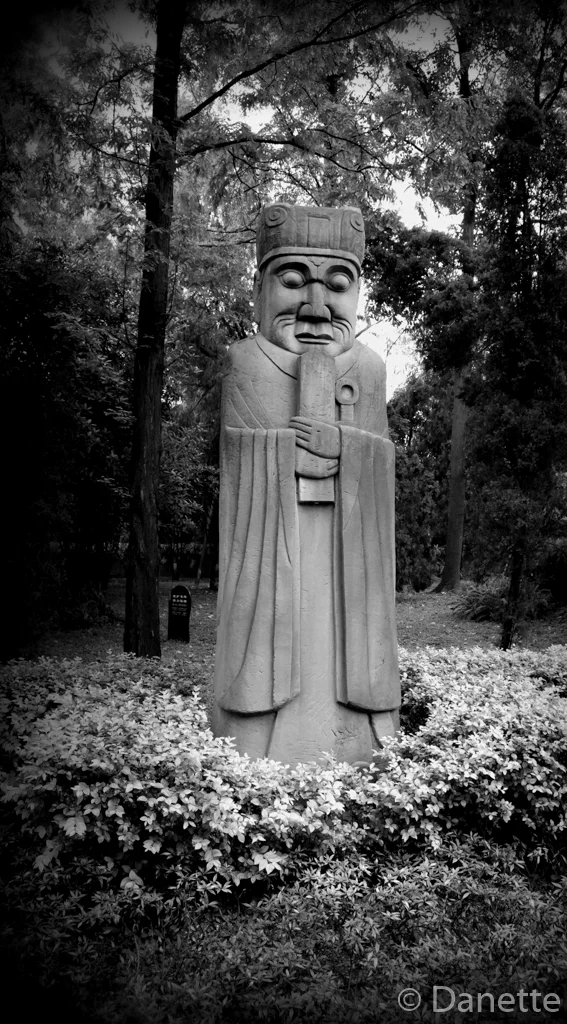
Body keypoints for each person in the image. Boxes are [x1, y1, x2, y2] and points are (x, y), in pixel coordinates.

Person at [212, 204, 400, 764]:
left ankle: (357, 734)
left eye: (337, 285)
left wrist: (347, 448)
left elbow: (381, 466)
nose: (316, 306)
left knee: (345, 650)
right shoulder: (247, 363)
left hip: (346, 560)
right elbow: (237, 463)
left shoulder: (368, 370)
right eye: (293, 281)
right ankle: (255, 737)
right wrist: (278, 453)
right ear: (259, 291)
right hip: (275, 555)